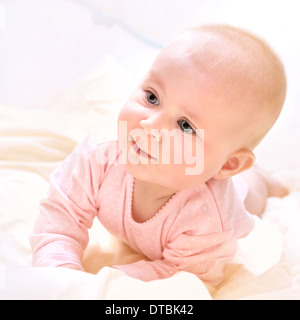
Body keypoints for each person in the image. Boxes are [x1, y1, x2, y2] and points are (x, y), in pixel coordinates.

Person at [30, 24, 289, 287]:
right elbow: (60, 218)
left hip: (239, 195)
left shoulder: (211, 220)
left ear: (229, 163)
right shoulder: (99, 156)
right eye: (152, 97)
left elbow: (186, 278)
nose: (150, 126)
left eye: (185, 125)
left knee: (253, 191)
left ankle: (265, 181)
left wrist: (108, 282)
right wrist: (61, 273)